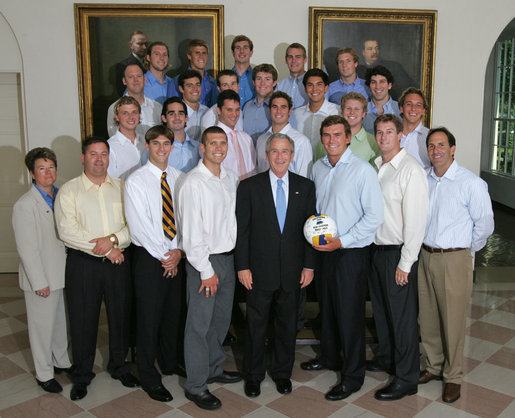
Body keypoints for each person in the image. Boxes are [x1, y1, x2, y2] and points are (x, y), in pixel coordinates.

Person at [301, 115, 383, 401]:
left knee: (349, 315)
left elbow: (374, 216)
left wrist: (343, 242)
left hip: (351, 253)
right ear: (321, 139)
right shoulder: (318, 167)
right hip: (324, 252)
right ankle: (330, 358)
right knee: (327, 309)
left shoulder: (363, 171)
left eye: (337, 134)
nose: (331, 140)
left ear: (348, 137)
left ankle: (352, 376)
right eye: (327, 135)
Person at [55, 137, 139, 401]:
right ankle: (81, 375)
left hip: (118, 263)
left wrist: (114, 241)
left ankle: (119, 366)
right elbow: (68, 232)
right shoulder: (69, 191)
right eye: (93, 154)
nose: (99, 159)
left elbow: (133, 225)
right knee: (83, 321)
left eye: (104, 154)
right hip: (83, 265)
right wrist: (106, 249)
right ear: (83, 157)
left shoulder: (123, 188)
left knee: (120, 317)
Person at [236, 133, 316, 398]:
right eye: (274, 151)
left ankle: (283, 373)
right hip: (258, 272)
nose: (280, 156)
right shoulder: (249, 187)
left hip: (293, 271)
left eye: (285, 152)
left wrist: (309, 266)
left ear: (292, 156)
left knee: (287, 326)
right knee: (256, 327)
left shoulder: (305, 187)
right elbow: (243, 232)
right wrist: (242, 266)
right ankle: (254, 375)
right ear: (266, 155)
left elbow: (310, 230)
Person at [418, 127, 494, 403]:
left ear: (452, 149)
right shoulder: (424, 179)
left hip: (454, 258)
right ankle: (433, 366)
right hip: (425, 255)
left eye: (441, 145)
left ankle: (453, 376)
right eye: (431, 146)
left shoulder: (469, 183)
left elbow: (485, 225)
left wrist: (463, 251)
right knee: (426, 319)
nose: (435, 150)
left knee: (452, 321)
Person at [177, 126, 242, 411]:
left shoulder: (231, 178)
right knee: (198, 327)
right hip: (205, 262)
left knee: (220, 321)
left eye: (222, 143)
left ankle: (214, 367)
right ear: (202, 147)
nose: (218, 147)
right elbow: (191, 234)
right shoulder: (193, 182)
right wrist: (206, 270)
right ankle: (196, 385)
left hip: (228, 258)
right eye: (212, 143)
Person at [368, 114, 429, 401]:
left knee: (403, 320)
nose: (383, 138)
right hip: (377, 251)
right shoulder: (377, 166)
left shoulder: (410, 170)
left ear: (400, 135)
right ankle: (387, 358)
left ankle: (406, 379)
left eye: (389, 132)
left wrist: (406, 263)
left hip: (398, 254)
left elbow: (416, 223)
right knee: (382, 313)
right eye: (379, 133)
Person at [124, 125, 185, 402]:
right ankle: (149, 375)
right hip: (150, 259)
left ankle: (170, 362)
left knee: (174, 314)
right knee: (149, 319)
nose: (162, 148)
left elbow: (186, 220)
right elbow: (140, 227)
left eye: (166, 144)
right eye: (156, 143)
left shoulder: (180, 178)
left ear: (173, 147)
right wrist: (166, 255)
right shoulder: (135, 181)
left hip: (176, 257)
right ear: (147, 146)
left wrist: (178, 252)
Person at [12, 147, 72, 394]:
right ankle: (44, 374)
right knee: (41, 328)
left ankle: (61, 361)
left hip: (61, 273)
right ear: (32, 174)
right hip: (42, 277)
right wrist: (39, 282)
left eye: (51, 167)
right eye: (41, 169)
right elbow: (27, 249)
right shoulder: (25, 205)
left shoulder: (61, 195)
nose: (48, 173)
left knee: (60, 323)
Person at [256, 91, 312, 177]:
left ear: (289, 111)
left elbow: (304, 179)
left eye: (283, 107)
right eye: (275, 107)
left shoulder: (301, 142)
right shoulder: (261, 140)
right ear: (270, 110)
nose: (279, 111)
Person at [314, 92, 379, 163]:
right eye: (348, 108)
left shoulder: (373, 142)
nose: (352, 112)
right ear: (342, 111)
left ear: (364, 114)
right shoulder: (326, 140)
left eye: (356, 109)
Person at [293, 68, 340, 156]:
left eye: (319, 84)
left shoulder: (337, 112)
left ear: (326, 88)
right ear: (305, 89)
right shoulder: (296, 114)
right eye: (310, 85)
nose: (315, 89)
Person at [107, 64, 161, 138]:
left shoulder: (157, 107)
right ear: (124, 81)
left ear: (144, 79)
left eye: (139, 76)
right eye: (131, 77)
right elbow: (114, 139)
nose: (136, 80)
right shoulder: (114, 108)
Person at [216, 89, 256, 179]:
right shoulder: (212, 139)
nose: (234, 114)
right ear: (218, 110)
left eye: (237, 110)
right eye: (229, 110)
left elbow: (254, 169)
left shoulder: (246, 138)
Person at [169, 39, 218, 107]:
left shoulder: (213, 82)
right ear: (189, 56)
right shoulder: (176, 81)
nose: (201, 56)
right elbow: (173, 108)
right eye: (197, 53)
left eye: (204, 53)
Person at [107, 96, 145, 180]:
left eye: (134, 112)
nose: (130, 116)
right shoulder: (110, 147)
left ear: (139, 115)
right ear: (117, 117)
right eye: (125, 113)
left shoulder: (147, 142)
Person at [160, 96, 200, 172]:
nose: (177, 117)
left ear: (186, 118)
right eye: (171, 114)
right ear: (164, 118)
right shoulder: (157, 148)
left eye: (181, 113)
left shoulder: (198, 148)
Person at [242, 63, 277, 145]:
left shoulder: (279, 108)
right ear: (254, 82)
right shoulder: (246, 107)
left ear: (274, 83)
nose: (262, 83)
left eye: (267, 79)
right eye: (259, 79)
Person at [362, 65, 401, 134]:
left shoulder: (400, 109)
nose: (378, 86)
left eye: (382, 82)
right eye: (374, 82)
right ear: (369, 86)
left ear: (389, 85)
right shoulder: (361, 110)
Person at [399, 87, 431, 169]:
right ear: (401, 108)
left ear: (423, 111)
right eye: (409, 104)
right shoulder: (390, 135)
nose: (413, 108)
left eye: (418, 105)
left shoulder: (430, 137)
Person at [178, 69, 209, 142]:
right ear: (181, 89)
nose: (195, 89)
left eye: (197, 85)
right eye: (190, 86)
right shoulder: (177, 114)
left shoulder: (207, 111)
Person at [115, 31, 148, 96]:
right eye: (140, 44)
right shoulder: (123, 65)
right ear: (131, 45)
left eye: (146, 44)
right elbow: (121, 91)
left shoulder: (151, 64)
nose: (144, 47)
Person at [276, 43, 309, 109]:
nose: (294, 61)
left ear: (305, 59)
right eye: (290, 57)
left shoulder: (313, 85)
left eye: (298, 57)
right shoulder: (279, 86)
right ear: (286, 60)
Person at [231, 35, 256, 106]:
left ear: (251, 52)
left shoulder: (258, 78)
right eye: (238, 48)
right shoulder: (223, 79)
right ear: (233, 53)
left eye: (245, 48)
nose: (242, 51)